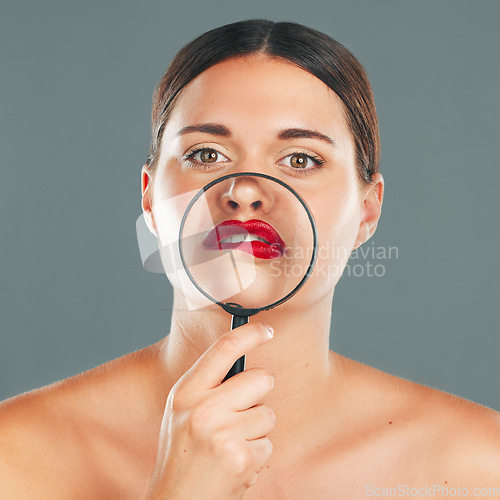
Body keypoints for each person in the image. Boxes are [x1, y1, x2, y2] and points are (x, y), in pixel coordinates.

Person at [0, 19, 498, 499]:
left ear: (368, 210)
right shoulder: (14, 455)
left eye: (300, 160)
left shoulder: (480, 466)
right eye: (207, 155)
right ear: (150, 199)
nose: (243, 193)